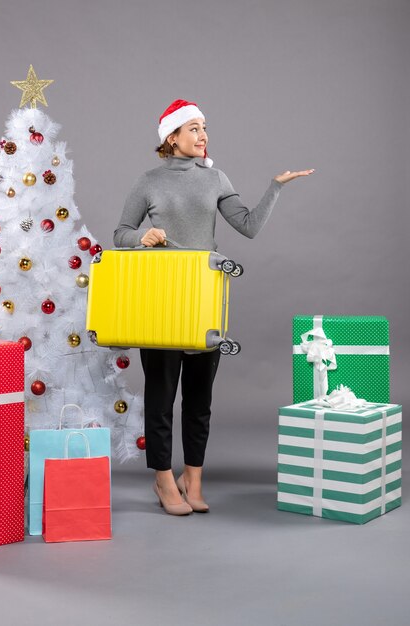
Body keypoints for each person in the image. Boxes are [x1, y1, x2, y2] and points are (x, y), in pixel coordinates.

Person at [113, 99, 314, 516]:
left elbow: (249, 227)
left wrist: (275, 187)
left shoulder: (216, 177)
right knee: (162, 393)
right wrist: (143, 238)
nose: (203, 135)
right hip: (161, 298)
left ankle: (194, 477)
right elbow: (121, 233)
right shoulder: (148, 181)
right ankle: (164, 479)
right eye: (194, 128)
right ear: (172, 137)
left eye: (205, 128)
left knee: (200, 397)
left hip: (205, 298)